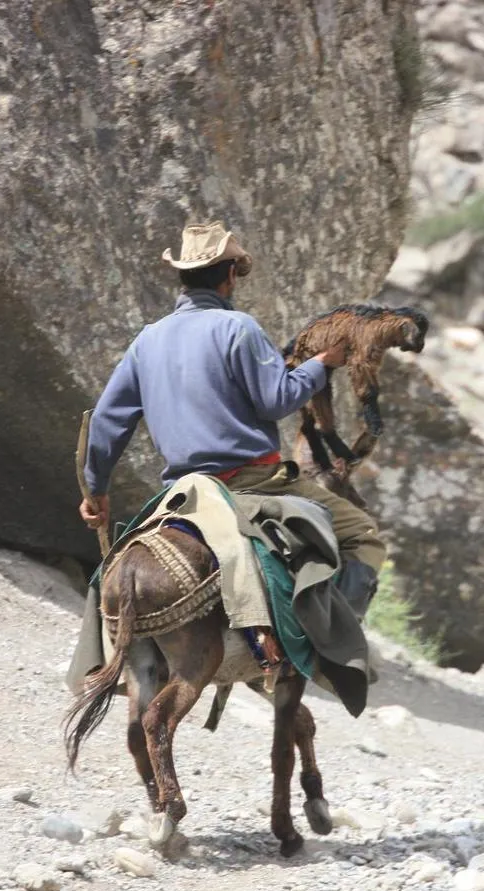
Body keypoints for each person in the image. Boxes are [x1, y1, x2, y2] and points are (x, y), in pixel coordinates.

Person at [79, 221, 385, 618]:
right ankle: (329, 640)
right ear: (229, 275)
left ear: (183, 278)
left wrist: (95, 488)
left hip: (181, 491)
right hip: (250, 482)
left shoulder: (147, 340)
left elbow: (106, 422)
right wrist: (320, 365)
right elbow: (277, 400)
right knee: (363, 535)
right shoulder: (238, 328)